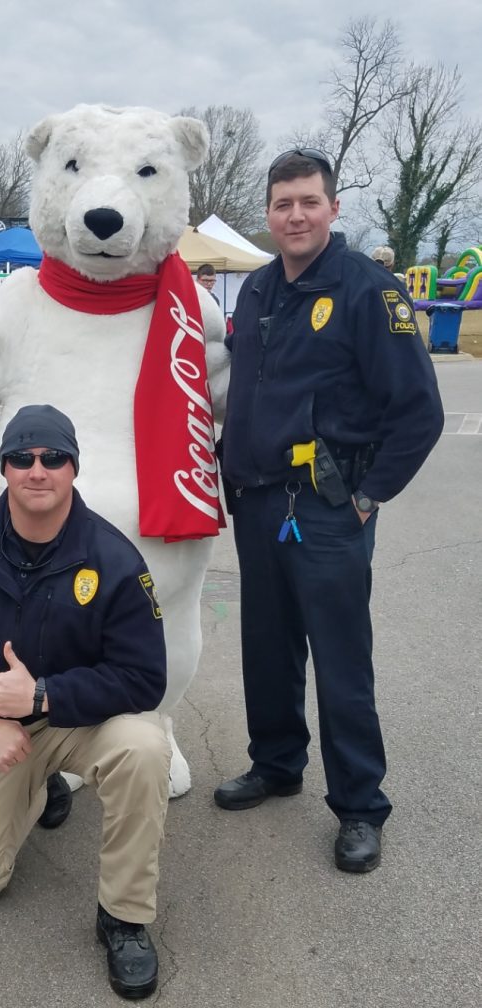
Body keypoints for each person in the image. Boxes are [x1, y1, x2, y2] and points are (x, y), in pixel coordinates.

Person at [214, 149, 444, 873]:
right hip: (258, 503)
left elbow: (419, 412)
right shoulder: (253, 292)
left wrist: (369, 495)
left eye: (308, 201)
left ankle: (359, 806)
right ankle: (277, 763)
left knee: (340, 660)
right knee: (266, 646)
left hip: (326, 507)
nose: (294, 215)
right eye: (282, 204)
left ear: (333, 207)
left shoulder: (366, 291)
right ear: (268, 213)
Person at [0, 404, 171, 1000]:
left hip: (77, 721)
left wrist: (46, 694)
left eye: (53, 458)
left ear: (74, 468)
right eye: (22, 458)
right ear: (4, 469)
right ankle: (35, 787)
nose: (37, 470)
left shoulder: (114, 558)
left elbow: (145, 678)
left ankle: (123, 917)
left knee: (146, 747)